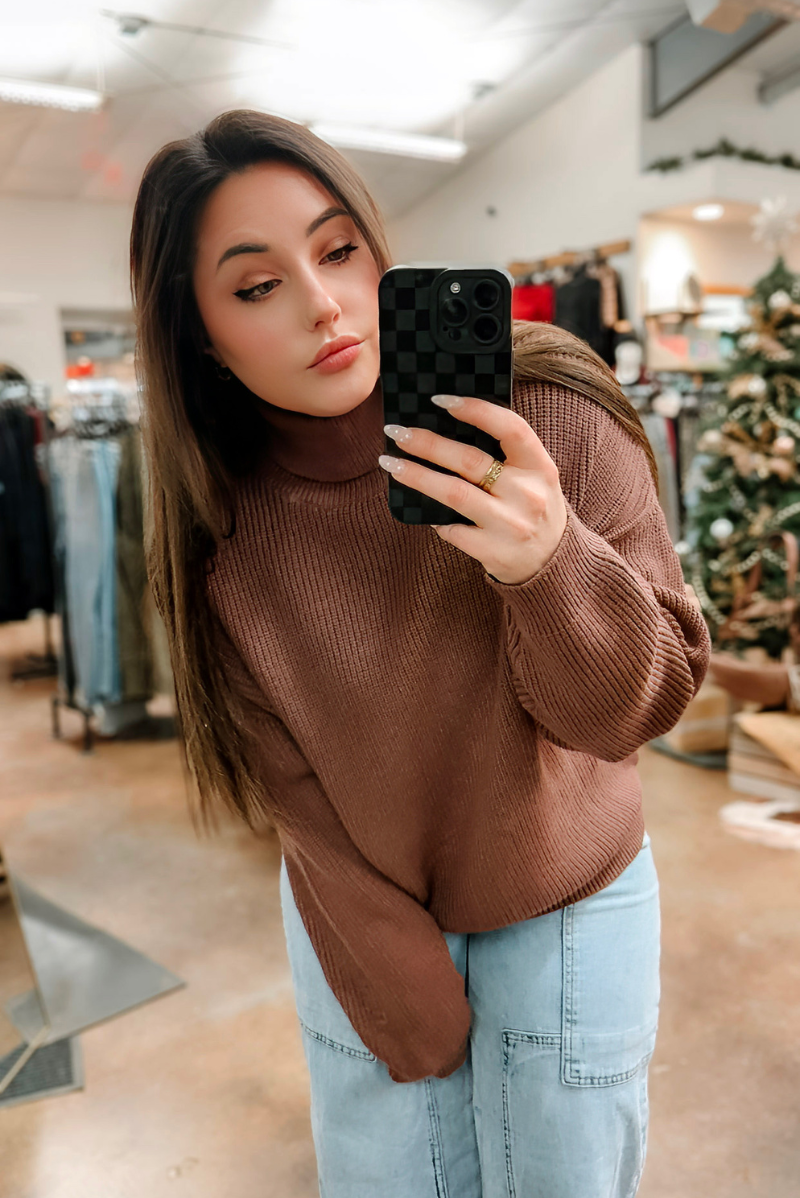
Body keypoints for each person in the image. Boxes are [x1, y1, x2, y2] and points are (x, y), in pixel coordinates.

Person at [130, 109, 711, 1197]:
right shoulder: (216, 520)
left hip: (568, 892)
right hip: (359, 907)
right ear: (200, 334)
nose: (323, 304)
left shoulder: (547, 408)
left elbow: (635, 712)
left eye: (339, 250)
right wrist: (394, 972)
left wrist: (547, 561)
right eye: (257, 286)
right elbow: (285, 780)